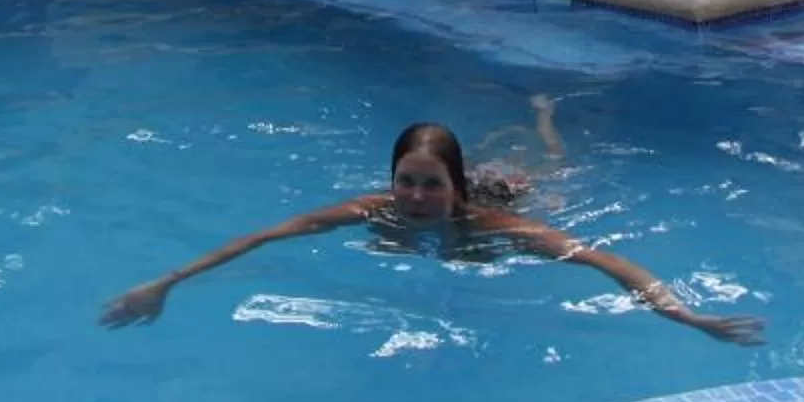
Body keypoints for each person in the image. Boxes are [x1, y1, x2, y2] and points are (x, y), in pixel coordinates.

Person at [98, 120, 764, 346]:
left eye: (431, 185)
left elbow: (603, 260)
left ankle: (546, 124)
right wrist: (168, 282)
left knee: (546, 170)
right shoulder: (373, 211)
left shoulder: (493, 224)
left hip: (501, 204)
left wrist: (684, 315)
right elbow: (263, 238)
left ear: (456, 187)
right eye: (406, 182)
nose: (416, 198)